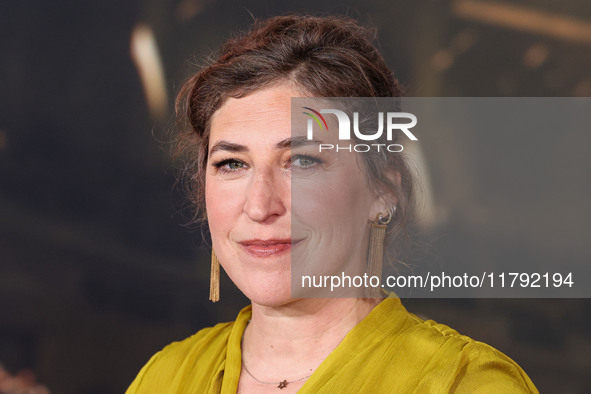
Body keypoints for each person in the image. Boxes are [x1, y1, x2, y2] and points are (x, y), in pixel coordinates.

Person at [126, 14, 538, 393]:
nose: (259, 205)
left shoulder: (464, 384)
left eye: (302, 161)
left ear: (383, 193)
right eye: (232, 163)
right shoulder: (165, 376)